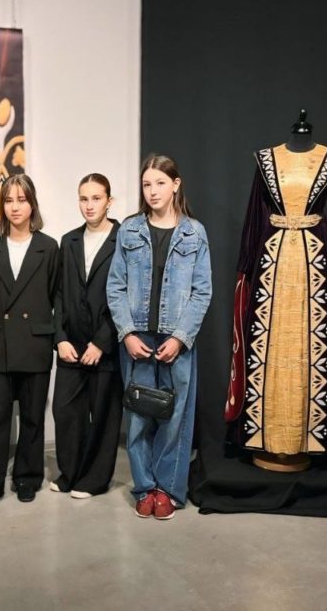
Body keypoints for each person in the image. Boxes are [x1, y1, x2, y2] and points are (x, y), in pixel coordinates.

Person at [106, 154, 212, 520]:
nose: (153, 191)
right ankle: (144, 487)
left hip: (176, 341)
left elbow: (202, 291)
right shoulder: (130, 230)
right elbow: (115, 286)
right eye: (147, 184)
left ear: (176, 184)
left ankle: (167, 490)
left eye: (160, 183)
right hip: (137, 341)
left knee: (175, 418)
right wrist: (127, 334)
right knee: (138, 416)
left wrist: (181, 338)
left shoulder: (194, 232)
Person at [0, 174, 59, 515]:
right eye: (9, 200)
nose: (15, 207)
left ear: (32, 203)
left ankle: (27, 477)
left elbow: (54, 294)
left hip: (35, 341)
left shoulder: (48, 246)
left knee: (33, 417)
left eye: (22, 200)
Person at [51, 173, 122, 499]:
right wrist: (60, 338)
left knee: (104, 415)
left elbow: (127, 295)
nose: (89, 205)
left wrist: (102, 342)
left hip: (105, 345)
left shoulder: (123, 239)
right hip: (72, 342)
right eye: (84, 198)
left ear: (109, 201)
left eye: (96, 198)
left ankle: (93, 480)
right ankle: (70, 473)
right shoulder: (69, 241)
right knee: (66, 411)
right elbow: (59, 294)